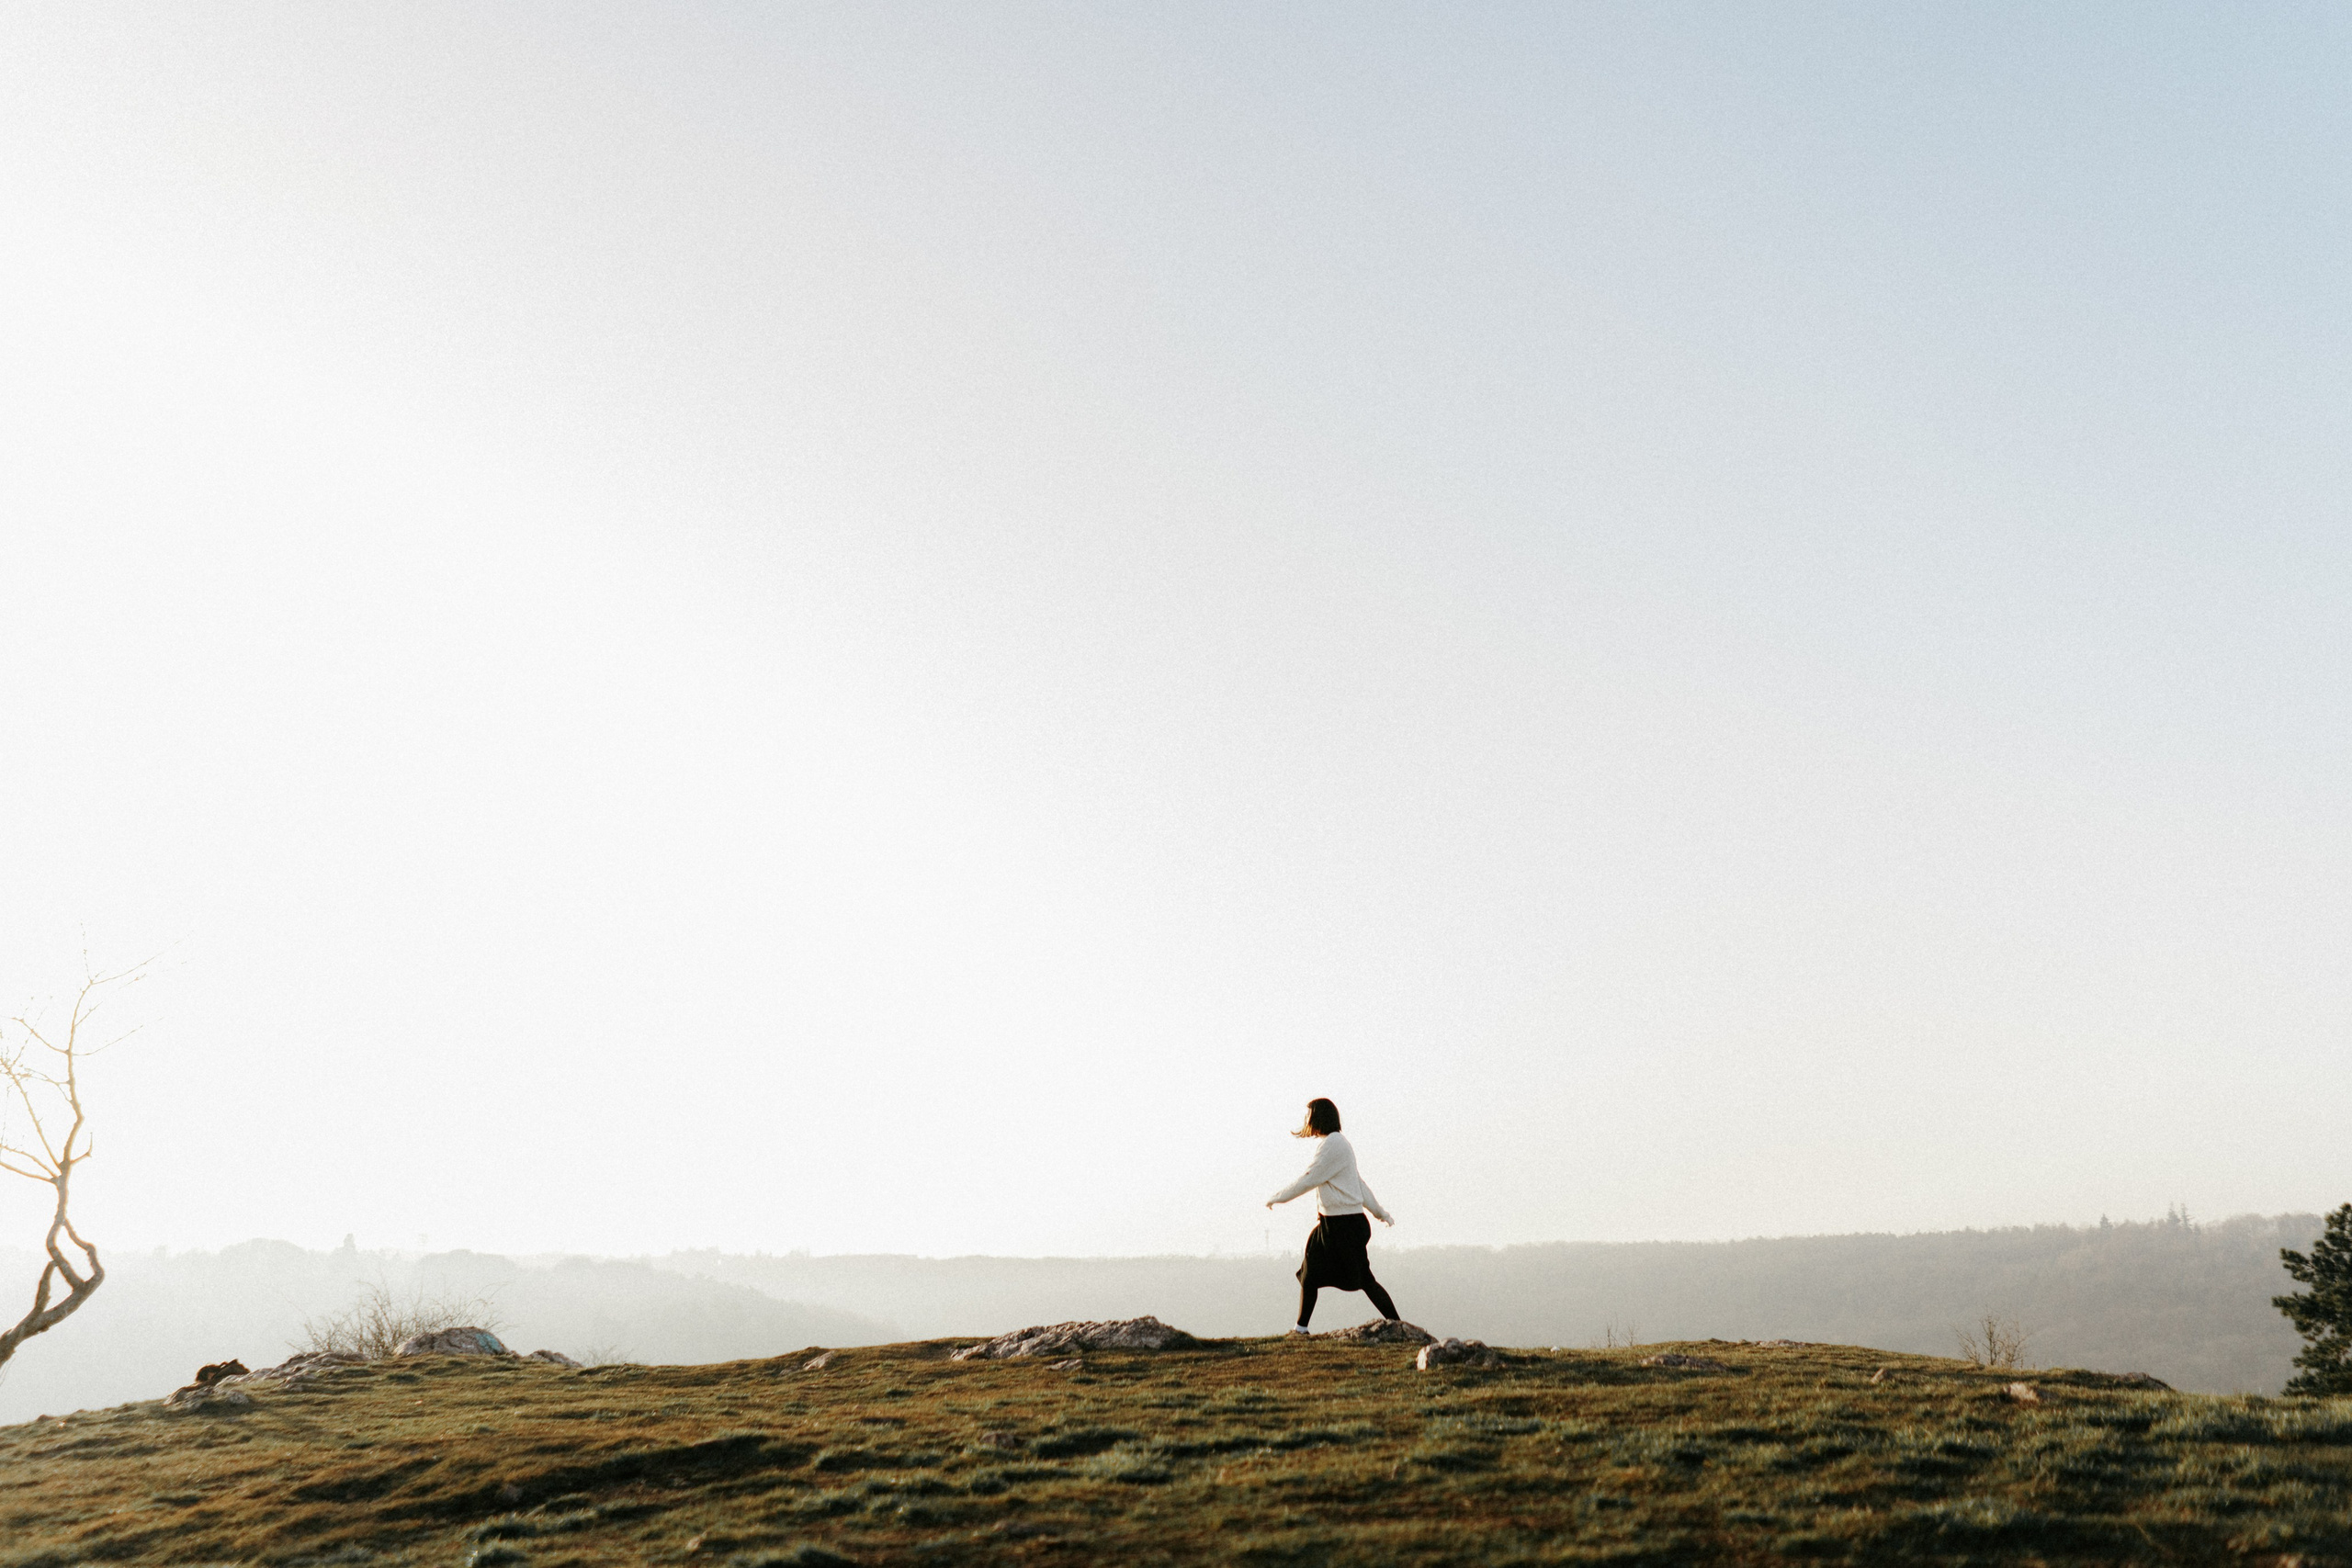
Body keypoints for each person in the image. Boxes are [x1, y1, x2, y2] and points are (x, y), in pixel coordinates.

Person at [1265, 1097, 1401, 1334]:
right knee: (1310, 1272)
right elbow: (1359, 1184)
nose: (1306, 1122)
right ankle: (1300, 1329)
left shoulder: (1333, 1144)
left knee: (1364, 1280)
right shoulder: (1337, 1143)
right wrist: (1381, 1214)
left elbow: (1311, 1177)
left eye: (1308, 1117)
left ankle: (1398, 1326)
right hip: (1337, 1224)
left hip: (1344, 1225)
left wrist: (1279, 1197)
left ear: (1319, 1118)